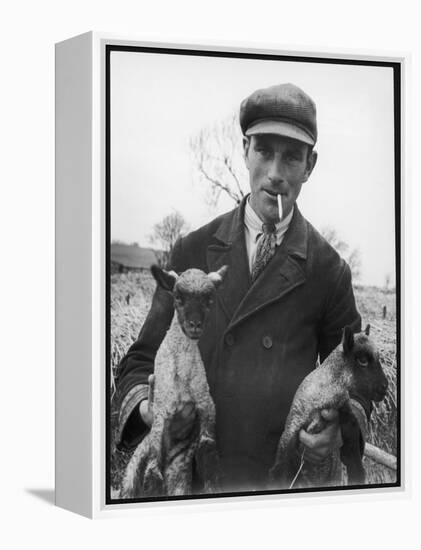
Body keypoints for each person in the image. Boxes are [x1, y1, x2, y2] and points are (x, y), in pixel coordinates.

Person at [114, 83, 370, 492]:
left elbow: (357, 377)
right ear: (245, 149)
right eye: (264, 151)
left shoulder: (329, 270)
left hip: (274, 484)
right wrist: (151, 408)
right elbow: (141, 360)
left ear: (310, 165)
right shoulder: (192, 250)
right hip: (194, 480)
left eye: (291, 157)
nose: (275, 174)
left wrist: (336, 429)